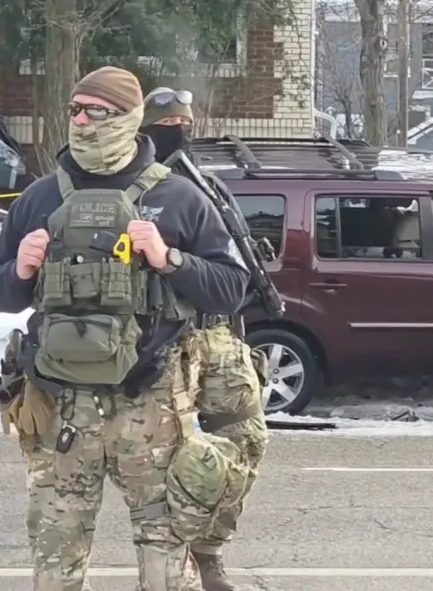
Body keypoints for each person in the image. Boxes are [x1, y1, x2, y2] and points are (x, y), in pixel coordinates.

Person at [0, 66, 250, 591]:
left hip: (150, 404)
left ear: (128, 117)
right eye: (75, 110)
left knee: (166, 562)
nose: (80, 122)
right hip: (61, 408)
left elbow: (231, 288)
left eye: (95, 112)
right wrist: (19, 271)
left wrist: (170, 259)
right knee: (55, 562)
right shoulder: (40, 197)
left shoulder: (179, 197)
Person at [139, 87, 269, 591]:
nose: (180, 131)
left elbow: (230, 262)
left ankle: (208, 549)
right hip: (163, 336)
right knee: (158, 460)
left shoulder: (203, 184)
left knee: (245, 441)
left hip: (218, 332)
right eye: (167, 125)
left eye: (185, 123)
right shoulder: (138, 188)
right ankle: (173, 559)